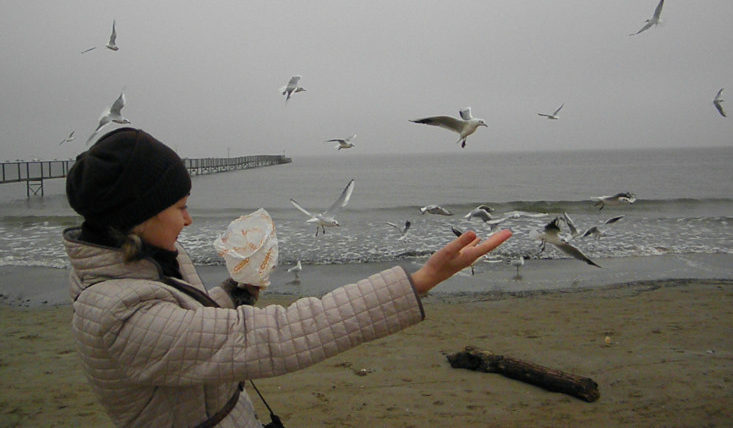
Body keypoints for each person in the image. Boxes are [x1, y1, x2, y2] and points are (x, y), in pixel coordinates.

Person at [63, 128, 512, 428]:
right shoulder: (120, 314)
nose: (189, 219)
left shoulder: (147, 260)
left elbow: (189, 332)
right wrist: (418, 281)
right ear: (138, 215)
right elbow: (269, 337)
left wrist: (237, 290)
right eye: (180, 206)